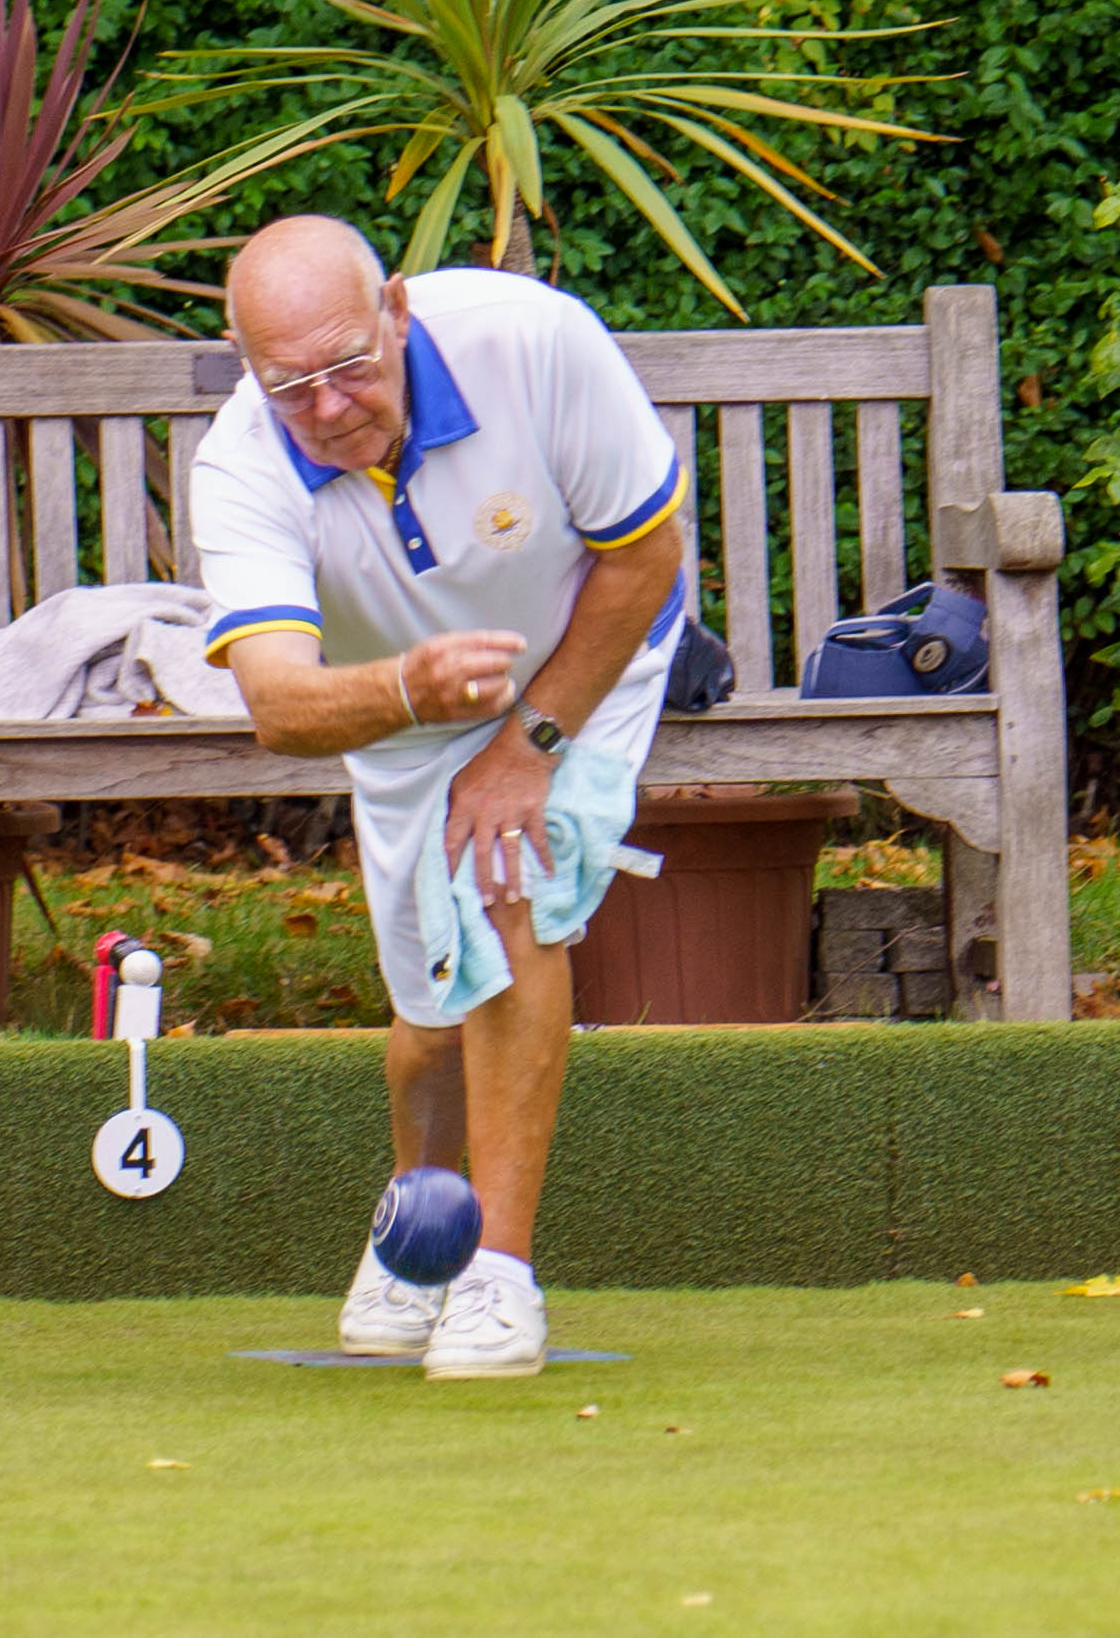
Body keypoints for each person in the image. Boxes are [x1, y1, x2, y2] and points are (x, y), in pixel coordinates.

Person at [191, 216, 686, 1379]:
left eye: (350, 365)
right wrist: (411, 686)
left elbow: (647, 558)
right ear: (245, 364)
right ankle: (420, 1221)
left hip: (584, 655)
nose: (326, 406)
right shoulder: (241, 468)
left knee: (504, 889)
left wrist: (529, 742)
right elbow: (277, 702)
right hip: (397, 705)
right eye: (289, 384)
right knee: (428, 1007)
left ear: (397, 309)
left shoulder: (536, 340)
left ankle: (497, 1278)